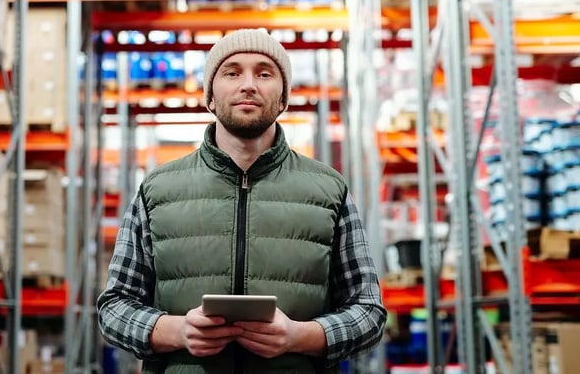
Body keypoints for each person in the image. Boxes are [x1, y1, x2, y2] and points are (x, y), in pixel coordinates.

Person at [97, 29, 387, 373]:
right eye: (232, 72)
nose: (248, 84)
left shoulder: (330, 190)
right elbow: (114, 307)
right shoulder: (157, 190)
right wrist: (176, 331)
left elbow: (368, 311)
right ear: (211, 97)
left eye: (264, 73)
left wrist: (300, 336)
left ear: (283, 99)